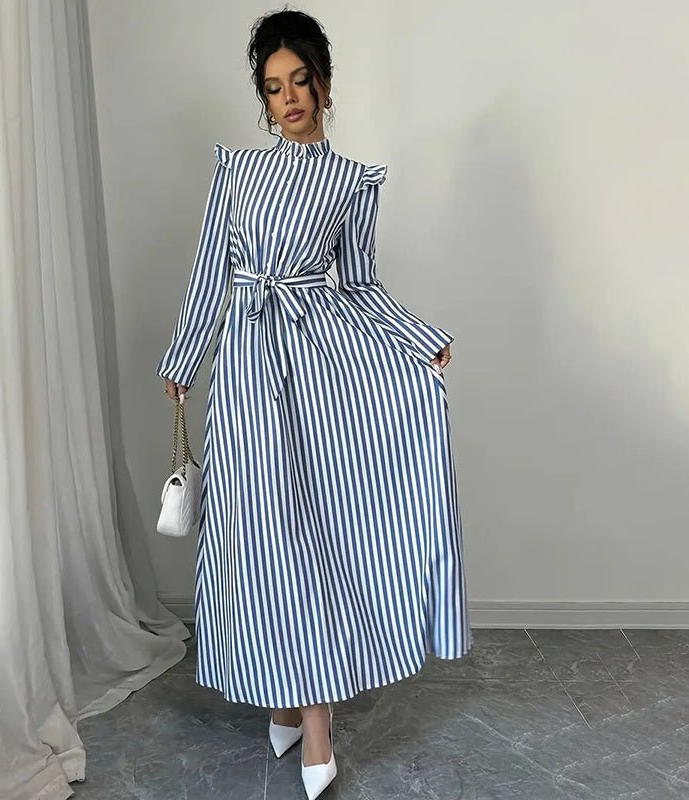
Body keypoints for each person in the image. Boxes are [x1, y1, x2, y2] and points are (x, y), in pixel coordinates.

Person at [157, 9, 472, 798]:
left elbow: (361, 286)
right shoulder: (235, 171)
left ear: (324, 86)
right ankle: (288, 700)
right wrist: (184, 357)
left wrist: (416, 338)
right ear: (261, 101)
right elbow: (209, 274)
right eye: (273, 87)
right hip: (246, 375)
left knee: (315, 537)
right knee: (262, 542)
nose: (289, 98)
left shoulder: (349, 181)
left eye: (300, 81)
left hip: (322, 371)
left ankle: (319, 721)